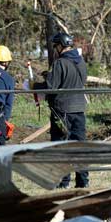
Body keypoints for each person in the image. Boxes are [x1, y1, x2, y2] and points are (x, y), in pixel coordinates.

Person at [38, 32, 89, 188]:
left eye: (55, 46)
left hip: (62, 111)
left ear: (60, 45)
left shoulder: (59, 63)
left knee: (61, 146)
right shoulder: (81, 62)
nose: (55, 49)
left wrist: (36, 84)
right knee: (79, 146)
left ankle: (63, 181)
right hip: (79, 109)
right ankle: (83, 182)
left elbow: (50, 87)